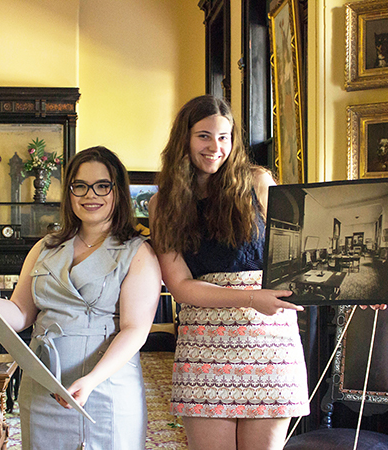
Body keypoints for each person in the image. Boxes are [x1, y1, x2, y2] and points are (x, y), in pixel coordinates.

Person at [0, 146, 162, 450]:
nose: (89, 195)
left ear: (118, 192)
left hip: (106, 388)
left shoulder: (138, 252)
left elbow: (135, 330)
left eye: (102, 186)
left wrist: (92, 380)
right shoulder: (46, 247)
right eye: (79, 186)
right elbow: (19, 314)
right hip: (43, 385)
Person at [148, 95, 309, 450]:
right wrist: (253, 298)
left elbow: (302, 256)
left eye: (224, 137)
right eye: (204, 136)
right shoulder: (163, 203)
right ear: (185, 139)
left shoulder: (259, 183)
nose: (215, 147)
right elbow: (181, 287)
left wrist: (355, 296)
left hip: (269, 342)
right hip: (204, 344)